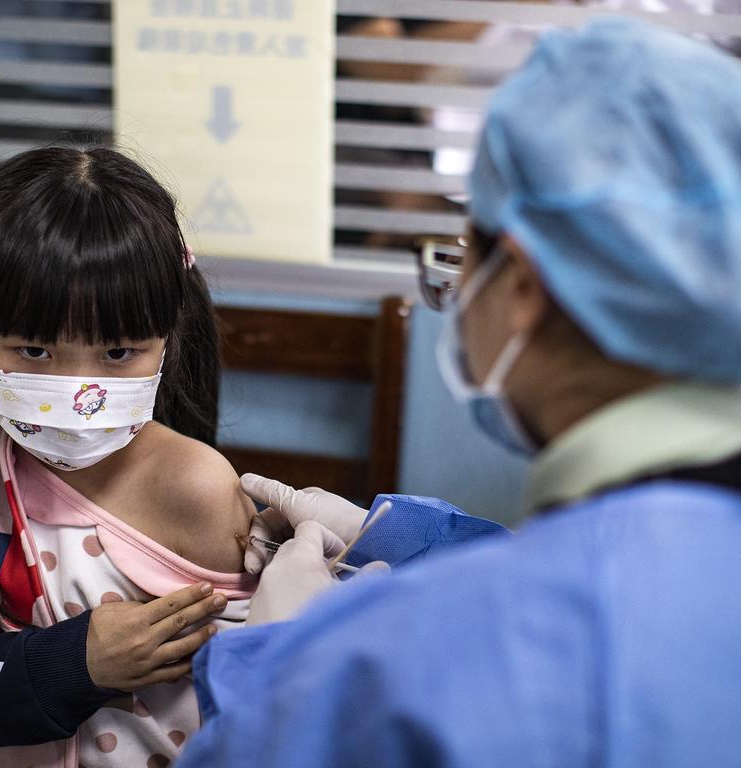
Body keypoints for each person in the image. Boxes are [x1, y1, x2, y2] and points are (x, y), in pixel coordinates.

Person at [179, 17, 741, 767]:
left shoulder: (402, 675)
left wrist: (279, 658)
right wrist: (397, 540)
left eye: (459, 253)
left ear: (520, 286)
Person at [0, 146, 260, 767]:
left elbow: (266, 693)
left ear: (169, 334)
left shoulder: (198, 489)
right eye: (36, 351)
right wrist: (71, 665)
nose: (79, 392)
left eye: (118, 351)